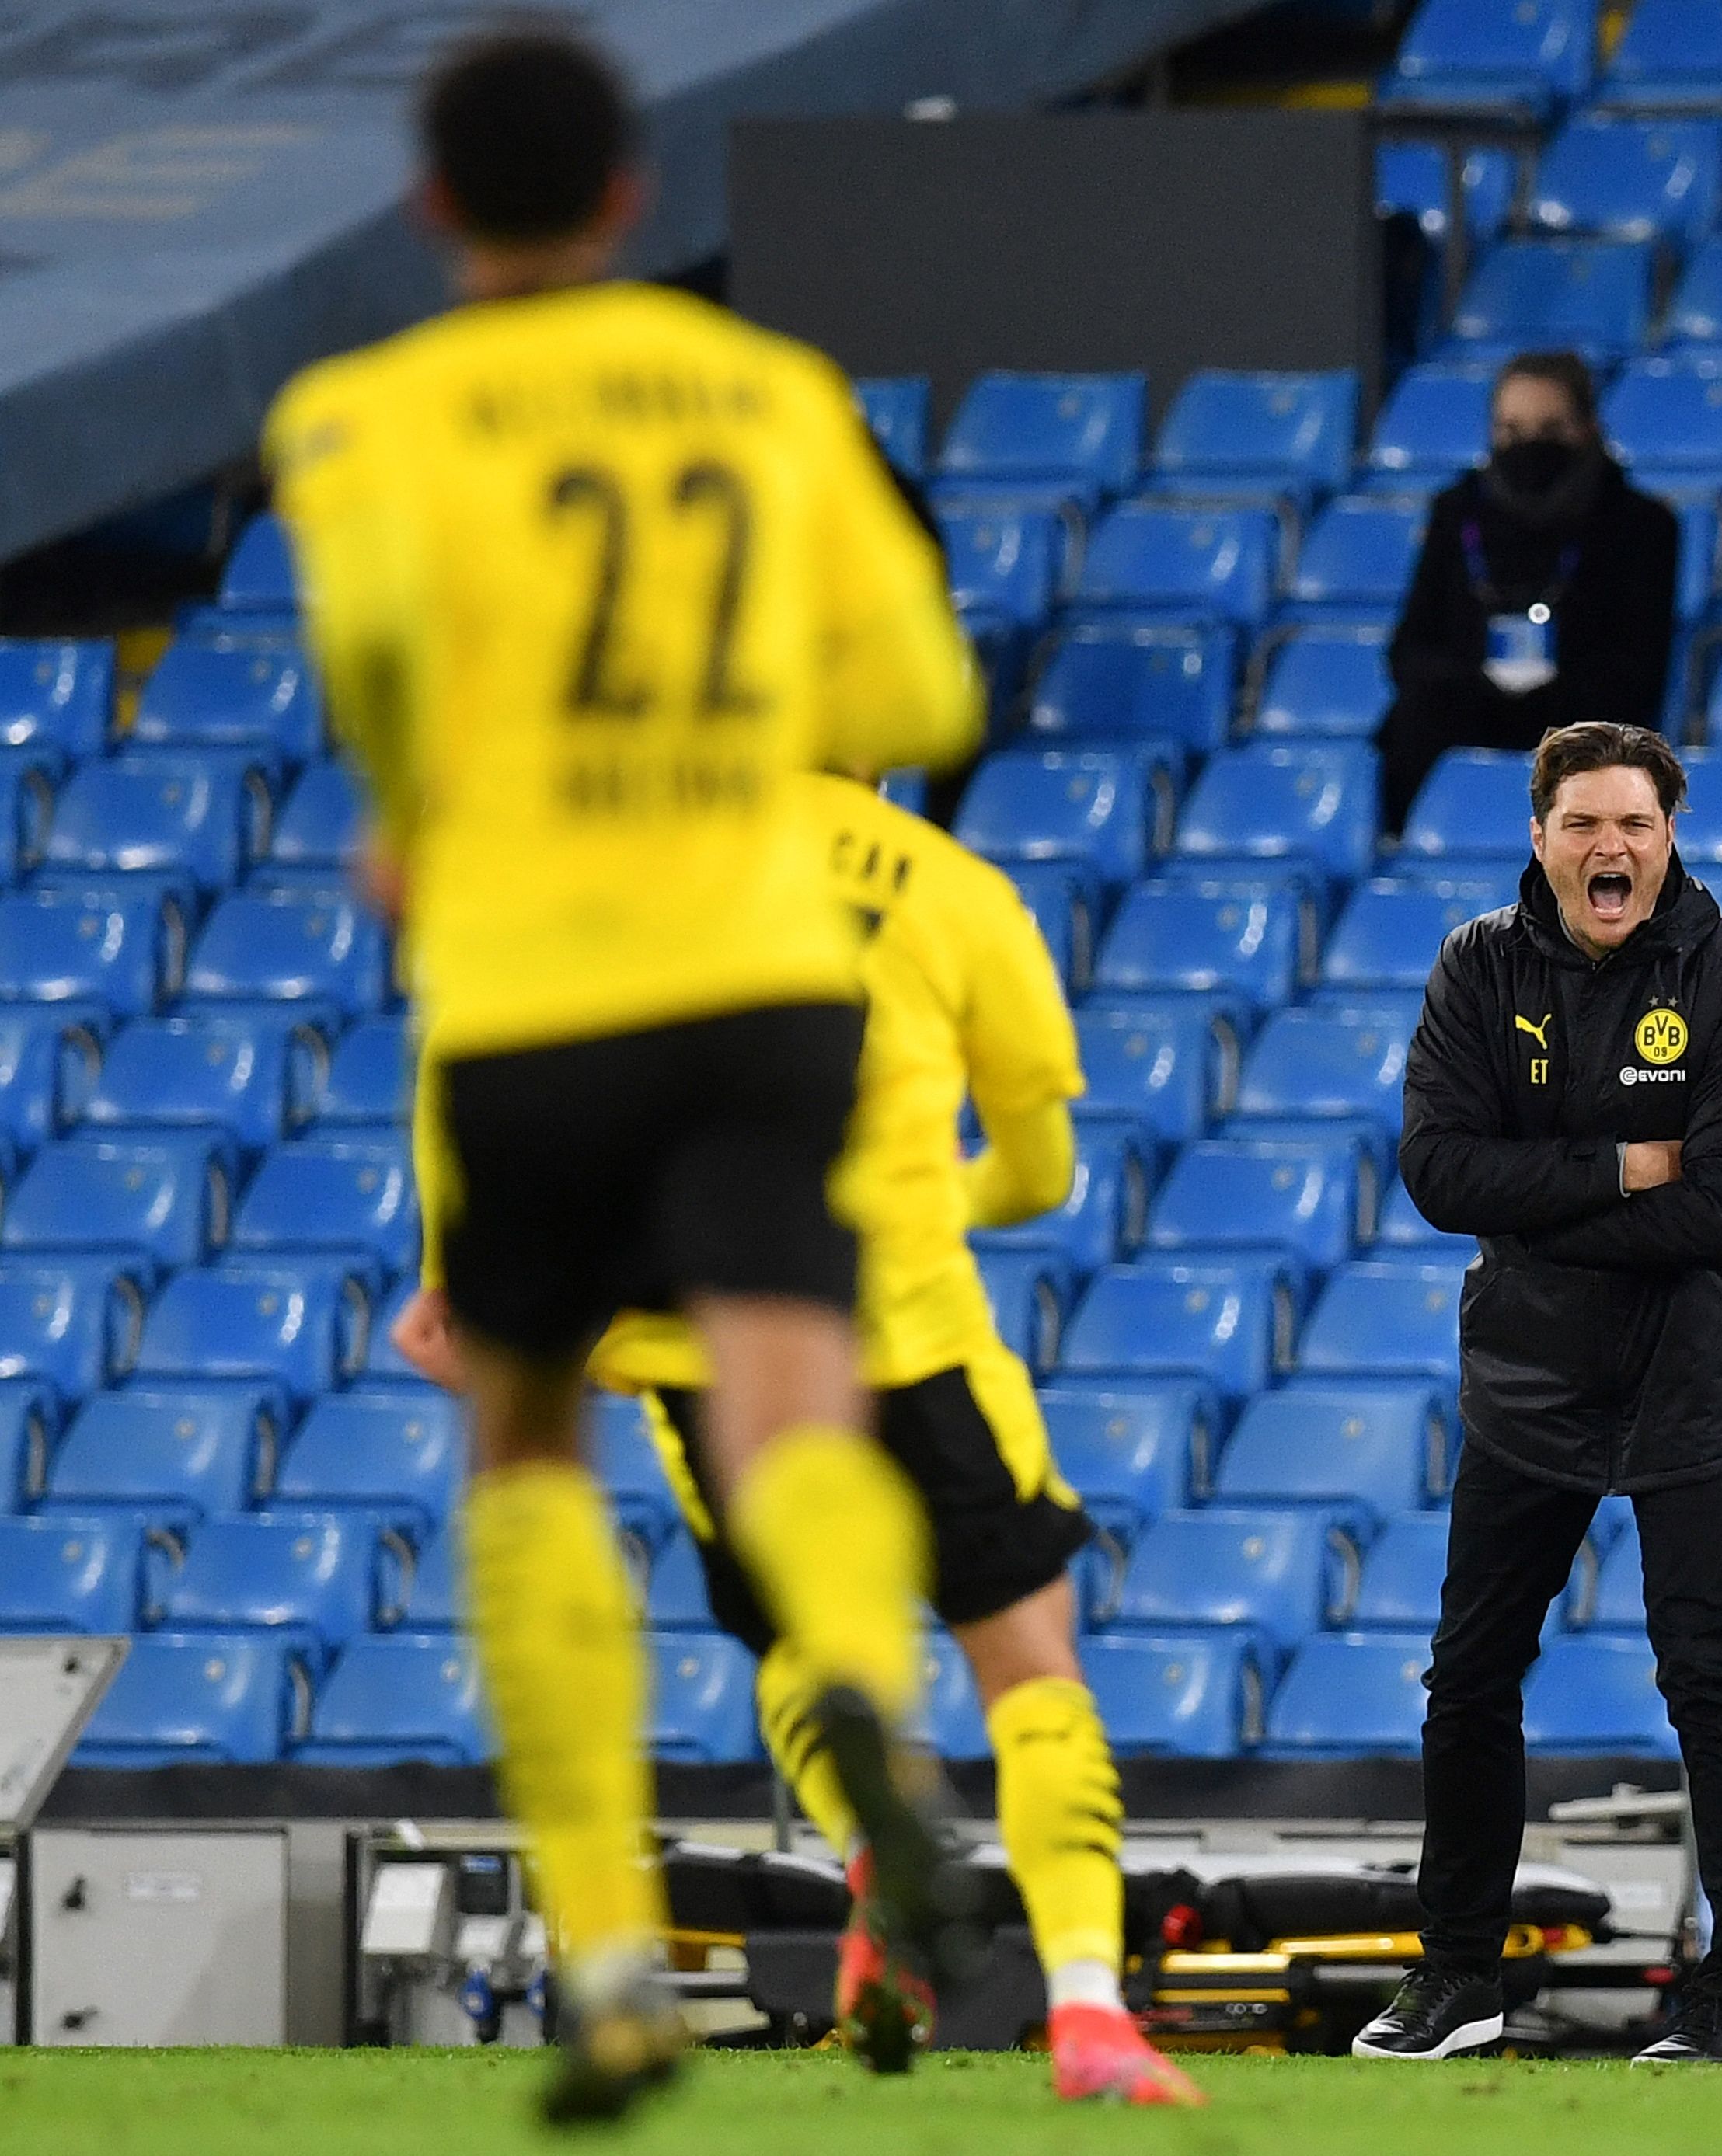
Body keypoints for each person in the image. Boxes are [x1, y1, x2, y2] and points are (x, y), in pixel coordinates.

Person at [264, 29, 978, 2122]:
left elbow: (390, 699)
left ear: (426, 205)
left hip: (533, 990)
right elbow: (924, 680)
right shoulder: (770, 396)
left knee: (529, 1440)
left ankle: (603, 1959)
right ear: (629, 199)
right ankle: (871, 1704)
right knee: (789, 1392)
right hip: (764, 970)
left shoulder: (358, 416)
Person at [392, 771, 1201, 2106]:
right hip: (908, 1333)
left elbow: (470, 1065)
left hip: (696, 1359)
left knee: (790, 1642)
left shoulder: (586, 850)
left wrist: (464, 1287)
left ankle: (843, 1843)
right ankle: (1087, 2010)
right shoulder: (942, 886)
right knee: (1029, 1662)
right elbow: (1042, 1172)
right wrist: (938, 1189)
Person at [1354, 722, 1722, 2067]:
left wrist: (1539, 1199)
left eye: (1637, 827)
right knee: (1471, 1677)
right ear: (1541, 836)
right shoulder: (1478, 969)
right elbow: (1439, 1173)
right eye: (1584, 826)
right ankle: (1459, 1982)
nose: (1612, 849)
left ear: (1671, 838)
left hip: (1692, 1373)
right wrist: (1620, 1172)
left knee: (1707, 1676)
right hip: (1530, 1375)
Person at [1376, 354, 1682, 831]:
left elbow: (1639, 667)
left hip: (1584, 715)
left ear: (1588, 428)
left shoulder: (1641, 525)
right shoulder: (1456, 513)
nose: (1530, 448)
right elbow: (1410, 649)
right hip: (1467, 709)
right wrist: (1481, 683)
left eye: (1551, 430)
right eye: (1512, 432)